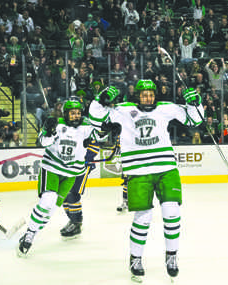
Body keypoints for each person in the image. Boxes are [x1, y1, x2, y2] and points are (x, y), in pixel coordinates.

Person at [88, 80, 204, 280]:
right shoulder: (124, 110)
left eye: (151, 94)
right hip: (138, 170)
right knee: (143, 217)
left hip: (166, 168)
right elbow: (95, 118)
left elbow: (196, 120)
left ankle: (172, 256)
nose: (148, 97)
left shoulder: (166, 108)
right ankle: (135, 258)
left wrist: (196, 103)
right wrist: (100, 99)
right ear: (137, 96)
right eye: (144, 94)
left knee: (171, 212)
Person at [17, 97, 98, 257]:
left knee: (52, 208)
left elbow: (100, 135)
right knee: (48, 200)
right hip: (52, 169)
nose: (76, 115)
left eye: (78, 113)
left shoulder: (86, 126)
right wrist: (48, 130)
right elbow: (43, 142)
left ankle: (32, 231)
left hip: (72, 174)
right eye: (72, 113)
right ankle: (30, 235)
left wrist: (110, 133)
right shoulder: (57, 124)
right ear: (66, 113)